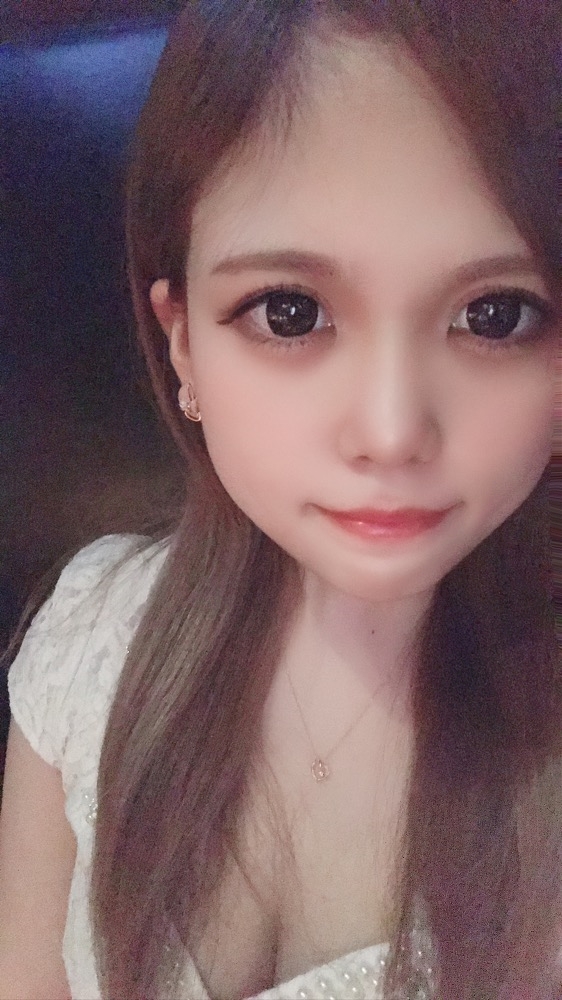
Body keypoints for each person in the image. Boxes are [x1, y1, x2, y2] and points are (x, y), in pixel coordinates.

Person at [0, 2, 560, 998]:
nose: (390, 431)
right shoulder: (93, 634)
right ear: (182, 344)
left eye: (495, 314)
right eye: (290, 313)